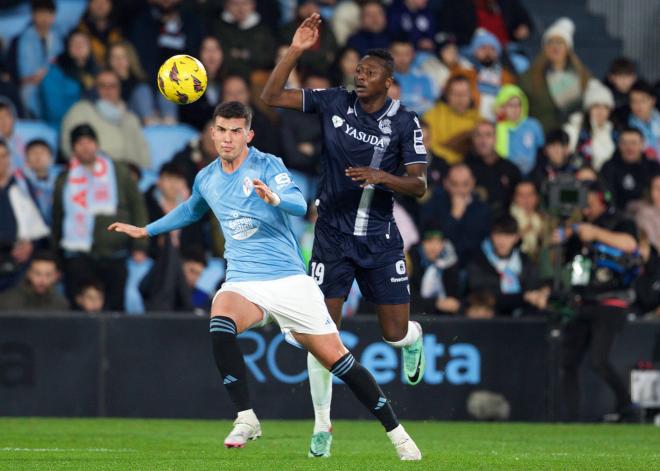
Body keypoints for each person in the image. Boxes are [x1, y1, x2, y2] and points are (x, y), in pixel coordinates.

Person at [108, 100, 422, 460]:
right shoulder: (207, 177)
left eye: (236, 131)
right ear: (213, 133)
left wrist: (274, 197)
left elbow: (298, 203)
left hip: (288, 281)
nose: (228, 138)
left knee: (339, 362)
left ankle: (397, 434)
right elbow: (191, 208)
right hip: (243, 280)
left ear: (248, 135)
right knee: (220, 320)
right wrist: (147, 230)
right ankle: (246, 417)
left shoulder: (267, 164)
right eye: (222, 131)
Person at [260, 14, 427, 457]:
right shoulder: (334, 101)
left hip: (378, 238)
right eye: (357, 69)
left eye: (369, 72)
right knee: (322, 332)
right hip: (331, 236)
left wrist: (380, 176)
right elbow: (271, 95)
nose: (359, 75)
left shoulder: (405, 122)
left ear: (388, 82)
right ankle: (322, 426)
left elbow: (420, 184)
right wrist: (295, 49)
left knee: (392, 333)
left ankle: (413, 339)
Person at [556, 181, 640, 422]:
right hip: (584, 301)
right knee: (567, 361)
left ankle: (627, 407)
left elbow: (630, 245)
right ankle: (570, 418)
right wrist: (564, 235)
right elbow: (566, 263)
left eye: (589, 202)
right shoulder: (578, 228)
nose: (585, 208)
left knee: (598, 360)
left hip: (612, 302)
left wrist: (595, 233)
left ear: (601, 199)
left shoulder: (620, 220)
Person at [52, 124, 148, 310]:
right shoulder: (64, 179)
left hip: (115, 253)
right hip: (78, 255)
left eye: (89, 142)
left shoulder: (118, 171)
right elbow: (58, 218)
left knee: (114, 309)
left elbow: (137, 205)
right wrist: (57, 257)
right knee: (78, 309)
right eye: (80, 143)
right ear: (73, 149)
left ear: (97, 144)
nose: (85, 147)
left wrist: (140, 244)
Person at [60, 70, 151, 169]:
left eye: (113, 86)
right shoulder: (80, 110)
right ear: (95, 89)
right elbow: (67, 145)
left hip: (130, 172)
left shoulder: (130, 118)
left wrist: (142, 174)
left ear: (119, 89)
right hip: (95, 171)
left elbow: (143, 151)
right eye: (102, 86)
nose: (108, 91)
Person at [466, 214, 549, 316]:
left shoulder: (524, 260)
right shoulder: (478, 261)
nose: (502, 241)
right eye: (498, 235)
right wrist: (523, 297)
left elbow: (533, 285)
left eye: (508, 236)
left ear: (516, 238)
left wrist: (541, 293)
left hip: (523, 313)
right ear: (491, 236)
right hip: (493, 315)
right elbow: (484, 295)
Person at [519, 18, 591, 132]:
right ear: (544, 48)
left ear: (568, 48)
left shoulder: (583, 76)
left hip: (572, 139)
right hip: (540, 137)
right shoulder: (528, 78)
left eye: (560, 42)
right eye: (550, 42)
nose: (555, 47)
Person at [0, 139, 50, 291]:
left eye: (4, 156)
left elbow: (38, 225)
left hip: (17, 263)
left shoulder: (22, 186)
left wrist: (30, 244)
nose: (1, 161)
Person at [422, 163, 491, 266]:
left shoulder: (482, 209)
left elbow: (477, 244)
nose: (460, 190)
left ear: (473, 183)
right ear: (446, 183)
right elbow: (434, 239)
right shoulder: (434, 205)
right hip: (438, 264)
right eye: (455, 184)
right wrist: (454, 216)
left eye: (465, 184)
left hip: (471, 266)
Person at [39, 30, 99, 128]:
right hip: (63, 126)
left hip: (93, 125)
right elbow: (54, 110)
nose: (79, 46)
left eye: (83, 42)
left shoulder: (96, 72)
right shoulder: (55, 72)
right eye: (74, 42)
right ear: (67, 47)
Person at [15, 0, 64, 118]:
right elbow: (23, 75)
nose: (44, 18)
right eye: (40, 13)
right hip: (29, 92)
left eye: (48, 14)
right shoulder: (20, 40)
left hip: (54, 90)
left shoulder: (60, 38)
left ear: (54, 16)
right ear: (33, 15)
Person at [465, 120, 521, 217]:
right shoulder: (464, 169)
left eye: (488, 135)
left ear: (495, 139)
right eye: (478, 135)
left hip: (504, 223)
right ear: (473, 139)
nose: (483, 140)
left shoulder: (511, 169)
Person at [423, 74, 481, 165]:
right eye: (456, 94)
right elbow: (430, 147)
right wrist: (456, 161)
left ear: (471, 95)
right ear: (447, 95)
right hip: (442, 166)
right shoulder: (431, 116)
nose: (460, 99)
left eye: (464, 94)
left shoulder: (478, 119)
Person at [599, 127, 660, 211]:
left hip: (651, 212)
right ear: (619, 145)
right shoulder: (608, 167)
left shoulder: (653, 166)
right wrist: (610, 205)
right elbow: (606, 193)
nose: (629, 147)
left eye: (634, 143)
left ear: (642, 145)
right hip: (620, 215)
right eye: (625, 143)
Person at [211, 0, 275, 78]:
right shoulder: (217, 28)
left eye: (245, 3)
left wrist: (246, 55)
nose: (240, 8)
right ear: (226, 6)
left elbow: (270, 58)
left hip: (257, 79)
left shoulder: (263, 30)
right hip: (224, 77)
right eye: (235, 4)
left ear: (253, 5)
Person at [563, 79, 617, 172]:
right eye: (596, 106)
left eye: (605, 107)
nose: (600, 111)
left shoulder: (613, 133)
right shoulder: (573, 130)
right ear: (588, 109)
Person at [464, 28, 517, 121]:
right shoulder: (465, 75)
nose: (488, 52)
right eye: (483, 48)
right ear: (474, 51)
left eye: (492, 49)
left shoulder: (507, 77)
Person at [494, 84, 544, 176]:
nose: (515, 109)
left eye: (518, 105)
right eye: (510, 105)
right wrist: (500, 123)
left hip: (531, 175)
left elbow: (541, 151)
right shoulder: (496, 127)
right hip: (505, 175)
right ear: (501, 106)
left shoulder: (533, 125)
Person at [0, 251, 69, 311]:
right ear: (28, 273)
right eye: (37, 274)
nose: (42, 280)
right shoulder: (6, 302)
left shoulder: (61, 304)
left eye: (48, 275)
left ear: (56, 276)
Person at [14, 139, 61, 226]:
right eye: (33, 153)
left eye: (42, 152)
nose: (38, 156)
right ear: (26, 160)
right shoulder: (18, 183)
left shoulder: (62, 181)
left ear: (51, 158)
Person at [390, 36, 436, 115]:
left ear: (413, 54)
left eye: (406, 54)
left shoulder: (425, 78)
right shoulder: (383, 79)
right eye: (397, 54)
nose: (402, 58)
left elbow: (431, 106)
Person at [76, 0, 123, 68]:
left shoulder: (122, 28)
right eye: (96, 2)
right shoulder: (79, 31)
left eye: (104, 2)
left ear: (111, 5)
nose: (100, 6)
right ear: (89, 5)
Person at [626, 80, 660, 160]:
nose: (638, 106)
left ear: (653, 101)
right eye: (634, 101)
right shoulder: (626, 125)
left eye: (642, 101)